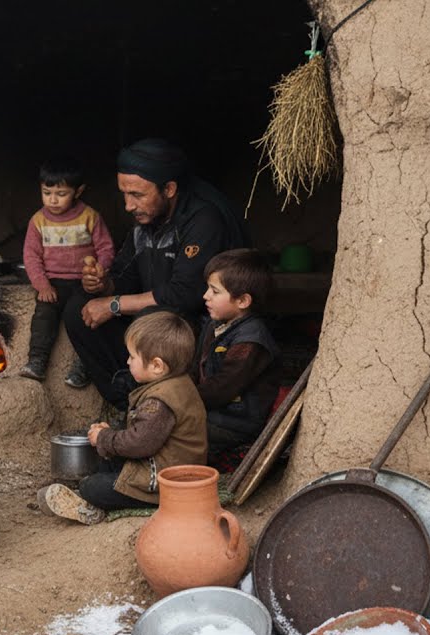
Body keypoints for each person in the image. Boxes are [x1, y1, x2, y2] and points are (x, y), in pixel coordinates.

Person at [63, 138, 247, 409]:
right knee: (77, 307)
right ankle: (126, 404)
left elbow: (185, 295)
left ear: (169, 188)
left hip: (195, 328)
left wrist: (114, 304)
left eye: (137, 195)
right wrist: (102, 284)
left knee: (154, 320)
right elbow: (125, 276)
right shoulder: (146, 221)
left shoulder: (203, 219)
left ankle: (161, 405)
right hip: (154, 318)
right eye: (124, 194)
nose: (128, 205)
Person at [38, 312, 207, 525]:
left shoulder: (160, 401)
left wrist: (105, 438)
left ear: (157, 365)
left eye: (132, 357)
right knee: (105, 464)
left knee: (93, 486)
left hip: (164, 485)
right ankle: (78, 494)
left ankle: (89, 506)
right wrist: (110, 435)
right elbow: (143, 433)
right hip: (166, 468)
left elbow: (139, 444)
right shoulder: (176, 384)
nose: (127, 361)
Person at [19, 157, 115, 386]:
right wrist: (42, 285)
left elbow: (106, 247)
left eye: (61, 193)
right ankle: (37, 361)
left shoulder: (90, 217)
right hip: (53, 282)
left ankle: (84, 366)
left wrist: (100, 270)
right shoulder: (38, 221)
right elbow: (31, 256)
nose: (52, 200)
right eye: (46, 192)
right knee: (43, 316)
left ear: (78, 191)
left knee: (86, 318)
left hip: (85, 282)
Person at [196, 248, 280, 457]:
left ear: (242, 301)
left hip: (237, 422)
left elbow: (221, 389)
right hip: (213, 411)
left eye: (215, 291)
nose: (205, 296)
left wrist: (181, 400)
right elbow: (195, 365)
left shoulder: (251, 341)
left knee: (175, 430)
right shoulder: (215, 324)